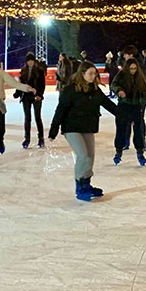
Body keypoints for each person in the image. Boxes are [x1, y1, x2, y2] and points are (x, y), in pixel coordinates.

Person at [48, 61, 119, 201]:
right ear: (82, 73)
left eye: (94, 73)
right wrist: (54, 129)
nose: (93, 76)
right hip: (71, 127)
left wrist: (124, 116)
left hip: (88, 126)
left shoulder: (95, 89)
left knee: (90, 157)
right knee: (83, 155)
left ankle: (87, 184)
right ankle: (80, 187)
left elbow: (108, 104)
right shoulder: (71, 89)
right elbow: (61, 109)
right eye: (90, 73)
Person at [110, 56, 146, 165]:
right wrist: (119, 91)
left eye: (135, 69)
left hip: (136, 107)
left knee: (139, 130)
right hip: (124, 106)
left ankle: (140, 152)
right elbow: (113, 85)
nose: (133, 71)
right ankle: (118, 151)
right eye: (131, 69)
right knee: (121, 130)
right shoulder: (121, 76)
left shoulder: (139, 78)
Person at [16, 52, 47, 148]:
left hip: (36, 97)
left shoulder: (39, 71)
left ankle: (41, 138)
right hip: (26, 97)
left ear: (34, 61)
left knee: (37, 117)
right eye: (29, 61)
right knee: (27, 118)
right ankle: (27, 139)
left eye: (32, 61)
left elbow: (42, 85)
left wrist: (40, 95)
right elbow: (20, 84)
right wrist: (17, 93)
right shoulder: (23, 71)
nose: (30, 62)